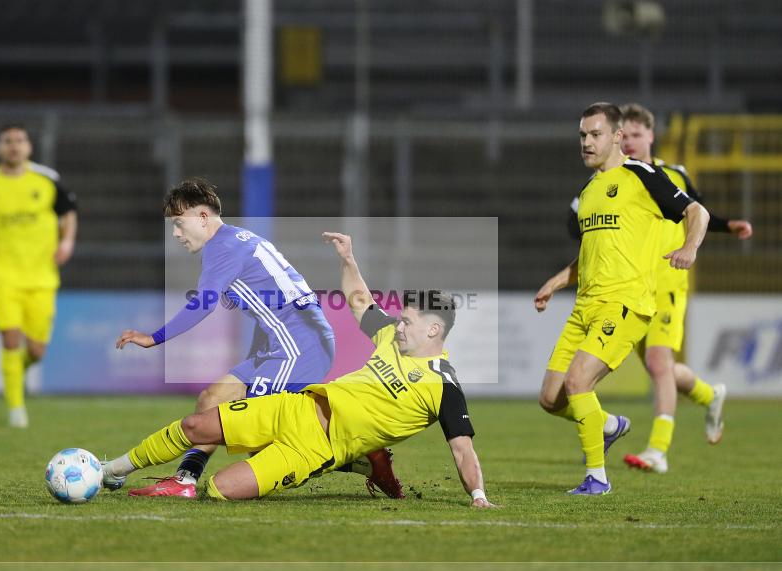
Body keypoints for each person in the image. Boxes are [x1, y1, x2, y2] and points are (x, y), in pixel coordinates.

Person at [102, 232, 495, 507]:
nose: (400, 323)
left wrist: (478, 497)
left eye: (409, 320)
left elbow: (463, 450)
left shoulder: (444, 386)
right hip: (297, 408)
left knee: (222, 490)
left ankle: (355, 459)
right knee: (195, 425)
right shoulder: (391, 336)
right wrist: (348, 258)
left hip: (314, 448)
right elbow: (359, 300)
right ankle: (112, 469)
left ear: (434, 329)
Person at [109, 179, 403, 498]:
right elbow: (273, 305)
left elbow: (204, 302)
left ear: (203, 216)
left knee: (263, 439)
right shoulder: (238, 239)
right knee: (212, 399)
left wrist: (155, 338)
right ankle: (184, 481)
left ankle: (360, 459)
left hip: (297, 346)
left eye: (179, 224)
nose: (177, 234)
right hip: (287, 342)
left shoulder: (223, 246)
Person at [534, 102, 709, 495]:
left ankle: (597, 478)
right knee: (550, 397)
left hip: (625, 303)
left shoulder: (642, 175)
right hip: (585, 306)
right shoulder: (589, 191)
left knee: (579, 382)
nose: (586, 142)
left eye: (595, 134)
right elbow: (593, 251)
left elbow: (698, 211)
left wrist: (691, 247)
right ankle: (609, 425)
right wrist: (558, 281)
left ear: (616, 136)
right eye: (582, 135)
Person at [607, 103, 751, 473]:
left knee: (658, 364)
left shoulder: (673, 174)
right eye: (626, 136)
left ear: (651, 136)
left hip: (668, 283)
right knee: (666, 369)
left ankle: (658, 450)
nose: (632, 142)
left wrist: (728, 225)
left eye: (638, 135)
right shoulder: (620, 180)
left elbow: (697, 210)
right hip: (633, 287)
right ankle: (710, 394)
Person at [0, 124, 78, 428]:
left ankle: (17, 370)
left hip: (41, 275)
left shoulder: (47, 179)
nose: (14, 146)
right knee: (11, 338)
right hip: (0, 273)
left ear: (28, 147)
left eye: (19, 140)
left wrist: (66, 241)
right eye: (7, 141)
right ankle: (16, 408)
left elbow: (68, 214)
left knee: (36, 351)